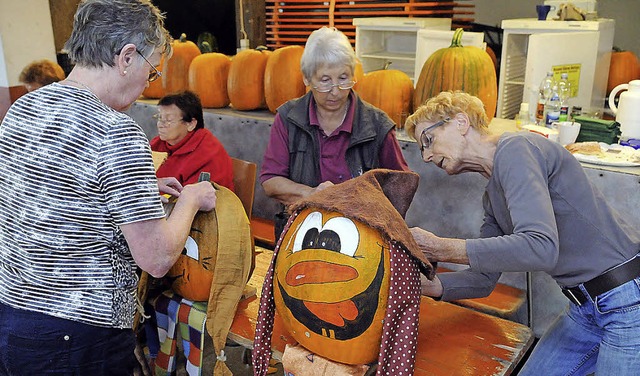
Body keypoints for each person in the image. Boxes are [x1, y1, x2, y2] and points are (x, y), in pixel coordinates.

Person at [0, 1, 216, 374]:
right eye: (151, 73)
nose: (148, 86)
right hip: (79, 338)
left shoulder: (24, 108)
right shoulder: (116, 130)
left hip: (12, 316)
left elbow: (57, 189)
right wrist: (192, 200)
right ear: (127, 57)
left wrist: (139, 186)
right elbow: (158, 257)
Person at [405, 90, 640, 375]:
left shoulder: (517, 148)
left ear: (460, 122)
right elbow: (483, 280)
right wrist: (430, 286)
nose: (427, 156)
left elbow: (541, 247)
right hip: (586, 308)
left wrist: (440, 247)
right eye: (421, 149)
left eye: (428, 141)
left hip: (626, 302)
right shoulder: (493, 196)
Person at [260, 26, 410, 239]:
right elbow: (270, 181)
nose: (336, 90)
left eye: (343, 78)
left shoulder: (377, 125)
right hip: (301, 231)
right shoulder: (288, 118)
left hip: (363, 236)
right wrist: (312, 194)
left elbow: (401, 187)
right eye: (325, 80)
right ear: (307, 79)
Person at [150, 90, 234, 190]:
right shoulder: (157, 144)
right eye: (159, 118)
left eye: (168, 120)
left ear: (191, 124)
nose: (160, 125)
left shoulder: (208, 153)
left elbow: (197, 199)